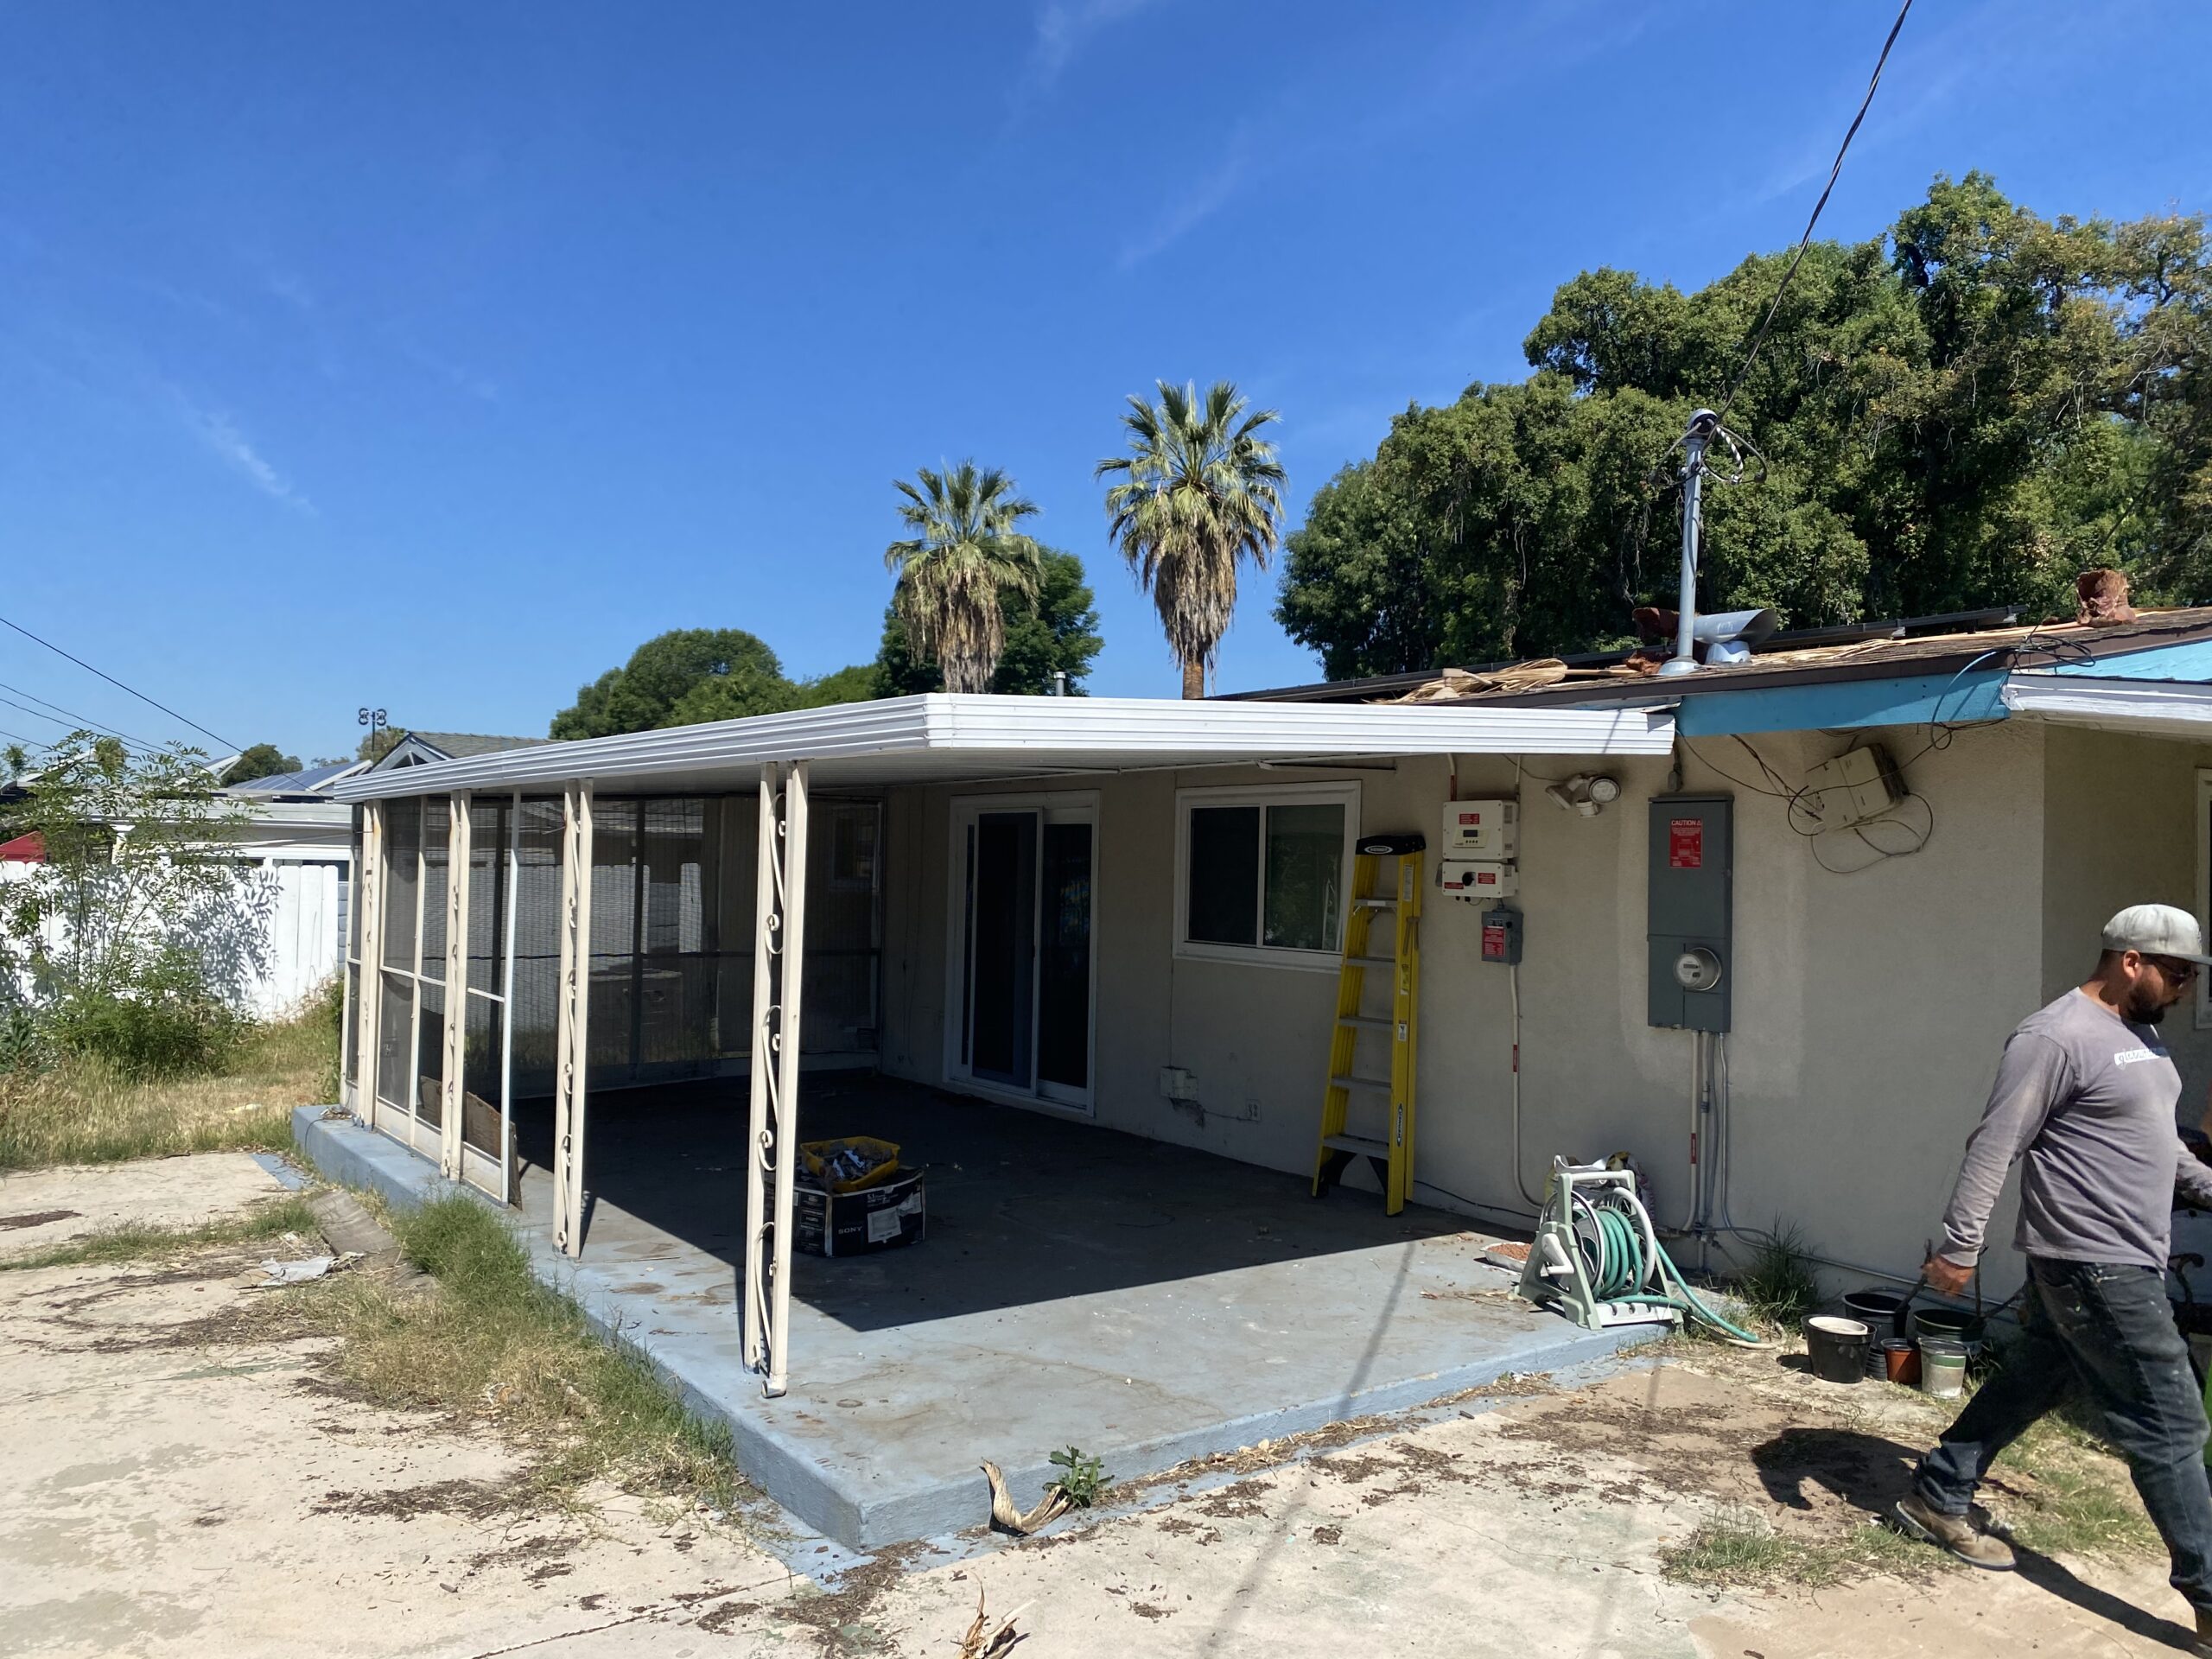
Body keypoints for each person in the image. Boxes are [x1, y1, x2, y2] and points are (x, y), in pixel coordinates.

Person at [1895, 904, 2212, 1648]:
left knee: (2040, 1373)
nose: (2186, 987)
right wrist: (1960, 1245)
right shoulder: (2055, 1036)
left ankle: (1938, 1493)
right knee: (2172, 1422)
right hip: (2094, 1262)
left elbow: (2160, 1148)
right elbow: (1995, 1143)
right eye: (2177, 972)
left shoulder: (2140, 1039)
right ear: (2129, 960)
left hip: (2121, 1257)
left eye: (2192, 976)